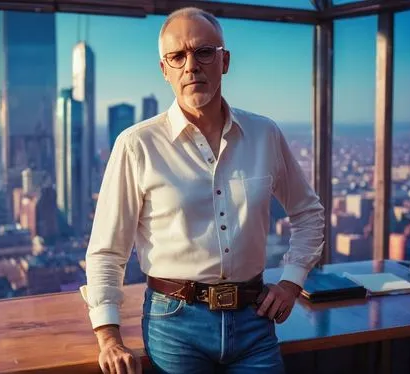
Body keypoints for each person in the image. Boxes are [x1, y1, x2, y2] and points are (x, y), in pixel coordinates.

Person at [81, 6, 325, 374]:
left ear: (224, 61)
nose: (191, 65)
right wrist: (109, 337)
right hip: (175, 325)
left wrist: (291, 283)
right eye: (177, 56)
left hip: (254, 321)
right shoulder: (137, 144)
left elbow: (308, 213)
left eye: (204, 52)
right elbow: (106, 250)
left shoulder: (265, 134)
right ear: (165, 71)